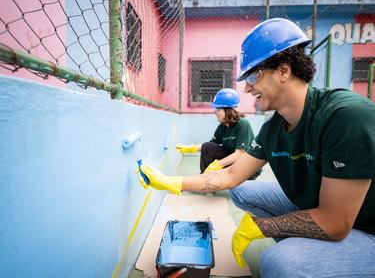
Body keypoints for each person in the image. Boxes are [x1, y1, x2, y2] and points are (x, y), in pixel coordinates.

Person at [136, 18, 375, 277]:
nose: (247, 88)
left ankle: (314, 257)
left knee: (278, 262)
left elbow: (336, 223)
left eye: (252, 75)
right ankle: (309, 248)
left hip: (362, 227)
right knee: (242, 192)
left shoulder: (345, 116)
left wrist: (263, 227)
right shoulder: (273, 129)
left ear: (283, 71)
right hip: (322, 207)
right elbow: (231, 175)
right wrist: (171, 182)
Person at [176, 88, 260, 179]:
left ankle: (209, 180)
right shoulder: (222, 126)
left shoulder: (243, 124)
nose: (215, 112)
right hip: (232, 162)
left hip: (248, 167)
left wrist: (218, 164)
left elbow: (239, 154)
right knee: (207, 146)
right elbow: (210, 145)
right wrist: (192, 148)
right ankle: (205, 180)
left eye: (218, 109)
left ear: (228, 110)